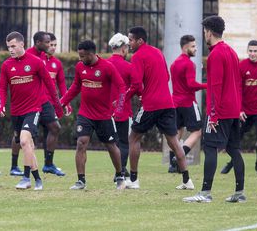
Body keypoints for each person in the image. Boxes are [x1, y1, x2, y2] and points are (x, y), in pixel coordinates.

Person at [183, 16, 245, 203]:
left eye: (204, 32)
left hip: (220, 112)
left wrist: (213, 114)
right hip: (233, 110)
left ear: (209, 31)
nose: (204, 35)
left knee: (210, 147)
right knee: (234, 150)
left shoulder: (216, 54)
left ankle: (205, 193)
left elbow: (216, 86)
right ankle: (239, 193)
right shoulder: (231, 52)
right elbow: (237, 83)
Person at [123, 26, 193, 191]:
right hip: (168, 104)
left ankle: (133, 180)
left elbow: (135, 84)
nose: (129, 43)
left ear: (140, 40)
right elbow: (166, 76)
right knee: (174, 142)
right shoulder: (157, 52)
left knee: (133, 138)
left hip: (150, 105)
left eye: (131, 40)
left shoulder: (137, 56)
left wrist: (123, 99)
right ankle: (187, 181)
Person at [0, 31, 61, 190]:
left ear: (21, 44)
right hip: (16, 112)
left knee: (25, 140)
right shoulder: (6, 65)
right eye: (8, 47)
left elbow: (49, 85)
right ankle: (37, 179)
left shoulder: (36, 62)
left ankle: (25, 179)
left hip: (33, 109)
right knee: (28, 146)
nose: (10, 50)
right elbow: (2, 88)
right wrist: (1, 104)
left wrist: (58, 106)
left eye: (13, 46)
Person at [60, 40, 126, 190]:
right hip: (85, 114)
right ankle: (81, 181)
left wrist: (119, 107)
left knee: (111, 145)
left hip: (104, 115)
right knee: (81, 143)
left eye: (82, 56)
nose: (80, 58)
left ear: (91, 54)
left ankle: (120, 175)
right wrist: (62, 101)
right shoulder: (80, 67)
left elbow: (122, 86)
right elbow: (76, 86)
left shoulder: (107, 67)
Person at [221, 40, 257, 176]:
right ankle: (231, 163)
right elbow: (237, 89)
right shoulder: (241, 66)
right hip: (245, 111)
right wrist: (239, 109)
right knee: (236, 139)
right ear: (247, 51)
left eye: (255, 51)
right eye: (250, 51)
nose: (252, 53)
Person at [168, 35, 206, 173]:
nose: (196, 49)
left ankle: (173, 165)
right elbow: (191, 85)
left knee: (177, 132)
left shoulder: (174, 63)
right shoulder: (189, 64)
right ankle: (180, 155)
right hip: (188, 102)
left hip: (175, 103)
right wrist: (208, 85)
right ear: (185, 47)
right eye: (193, 46)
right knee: (197, 131)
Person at [107, 33, 132, 176]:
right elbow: (137, 87)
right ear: (123, 48)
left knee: (112, 143)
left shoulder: (104, 64)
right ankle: (121, 171)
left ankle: (121, 170)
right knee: (124, 142)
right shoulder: (128, 66)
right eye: (127, 47)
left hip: (105, 111)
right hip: (123, 110)